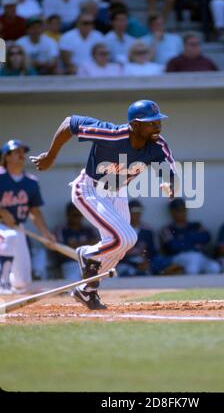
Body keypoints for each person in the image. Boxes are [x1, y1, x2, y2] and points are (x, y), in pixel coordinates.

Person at [30, 99, 178, 310]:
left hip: (118, 193)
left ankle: (86, 291)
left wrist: (169, 183)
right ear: (135, 125)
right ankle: (87, 254)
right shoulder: (111, 133)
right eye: (151, 122)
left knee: (121, 247)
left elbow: (169, 169)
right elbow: (69, 122)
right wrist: (51, 156)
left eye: (158, 121)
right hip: (89, 189)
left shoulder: (157, 144)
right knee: (126, 237)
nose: (157, 126)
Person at [0, 140, 55, 294]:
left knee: (22, 281)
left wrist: (45, 233)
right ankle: (2, 283)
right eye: (17, 151)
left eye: (23, 152)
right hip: (1, 227)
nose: (21, 155)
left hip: (18, 227)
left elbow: (35, 211)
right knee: (8, 238)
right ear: (7, 156)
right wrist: (2, 211)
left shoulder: (30, 182)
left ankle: (9, 282)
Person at [160, 198, 221, 274]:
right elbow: (173, 247)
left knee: (214, 267)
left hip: (199, 255)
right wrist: (194, 241)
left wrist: (185, 239)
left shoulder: (196, 225)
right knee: (192, 267)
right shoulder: (167, 229)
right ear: (172, 212)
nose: (182, 213)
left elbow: (207, 237)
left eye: (184, 210)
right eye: (178, 210)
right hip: (179, 257)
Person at [55, 202, 98, 280]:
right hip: (70, 263)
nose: (77, 218)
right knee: (73, 282)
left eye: (79, 215)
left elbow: (98, 246)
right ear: (68, 215)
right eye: (74, 215)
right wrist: (87, 246)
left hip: (89, 262)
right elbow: (61, 250)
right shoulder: (61, 230)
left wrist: (75, 246)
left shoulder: (89, 229)